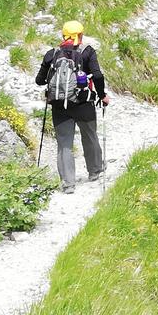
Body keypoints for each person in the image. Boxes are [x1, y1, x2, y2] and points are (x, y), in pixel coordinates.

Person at [34, 20, 107, 193]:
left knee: (64, 143)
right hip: (83, 103)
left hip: (59, 105)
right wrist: (102, 95)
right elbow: (97, 76)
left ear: (63, 35)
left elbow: (39, 80)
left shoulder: (52, 54)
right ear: (80, 36)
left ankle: (68, 183)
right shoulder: (87, 52)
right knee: (89, 135)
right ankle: (95, 171)